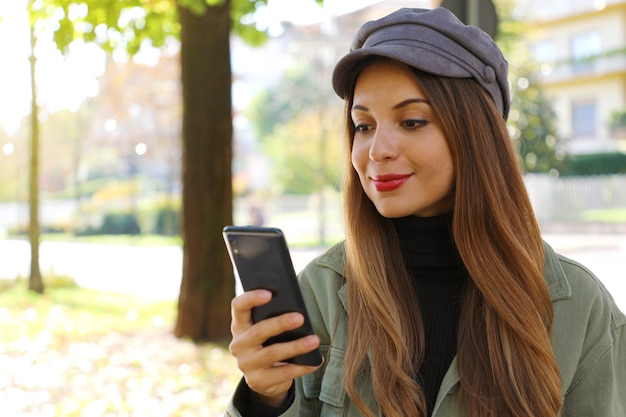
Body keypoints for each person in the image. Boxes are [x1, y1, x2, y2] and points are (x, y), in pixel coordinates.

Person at [226, 7, 626, 417]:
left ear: (475, 133)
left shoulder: (582, 310)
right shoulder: (322, 291)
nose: (377, 150)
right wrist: (265, 398)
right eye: (363, 126)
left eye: (412, 121)